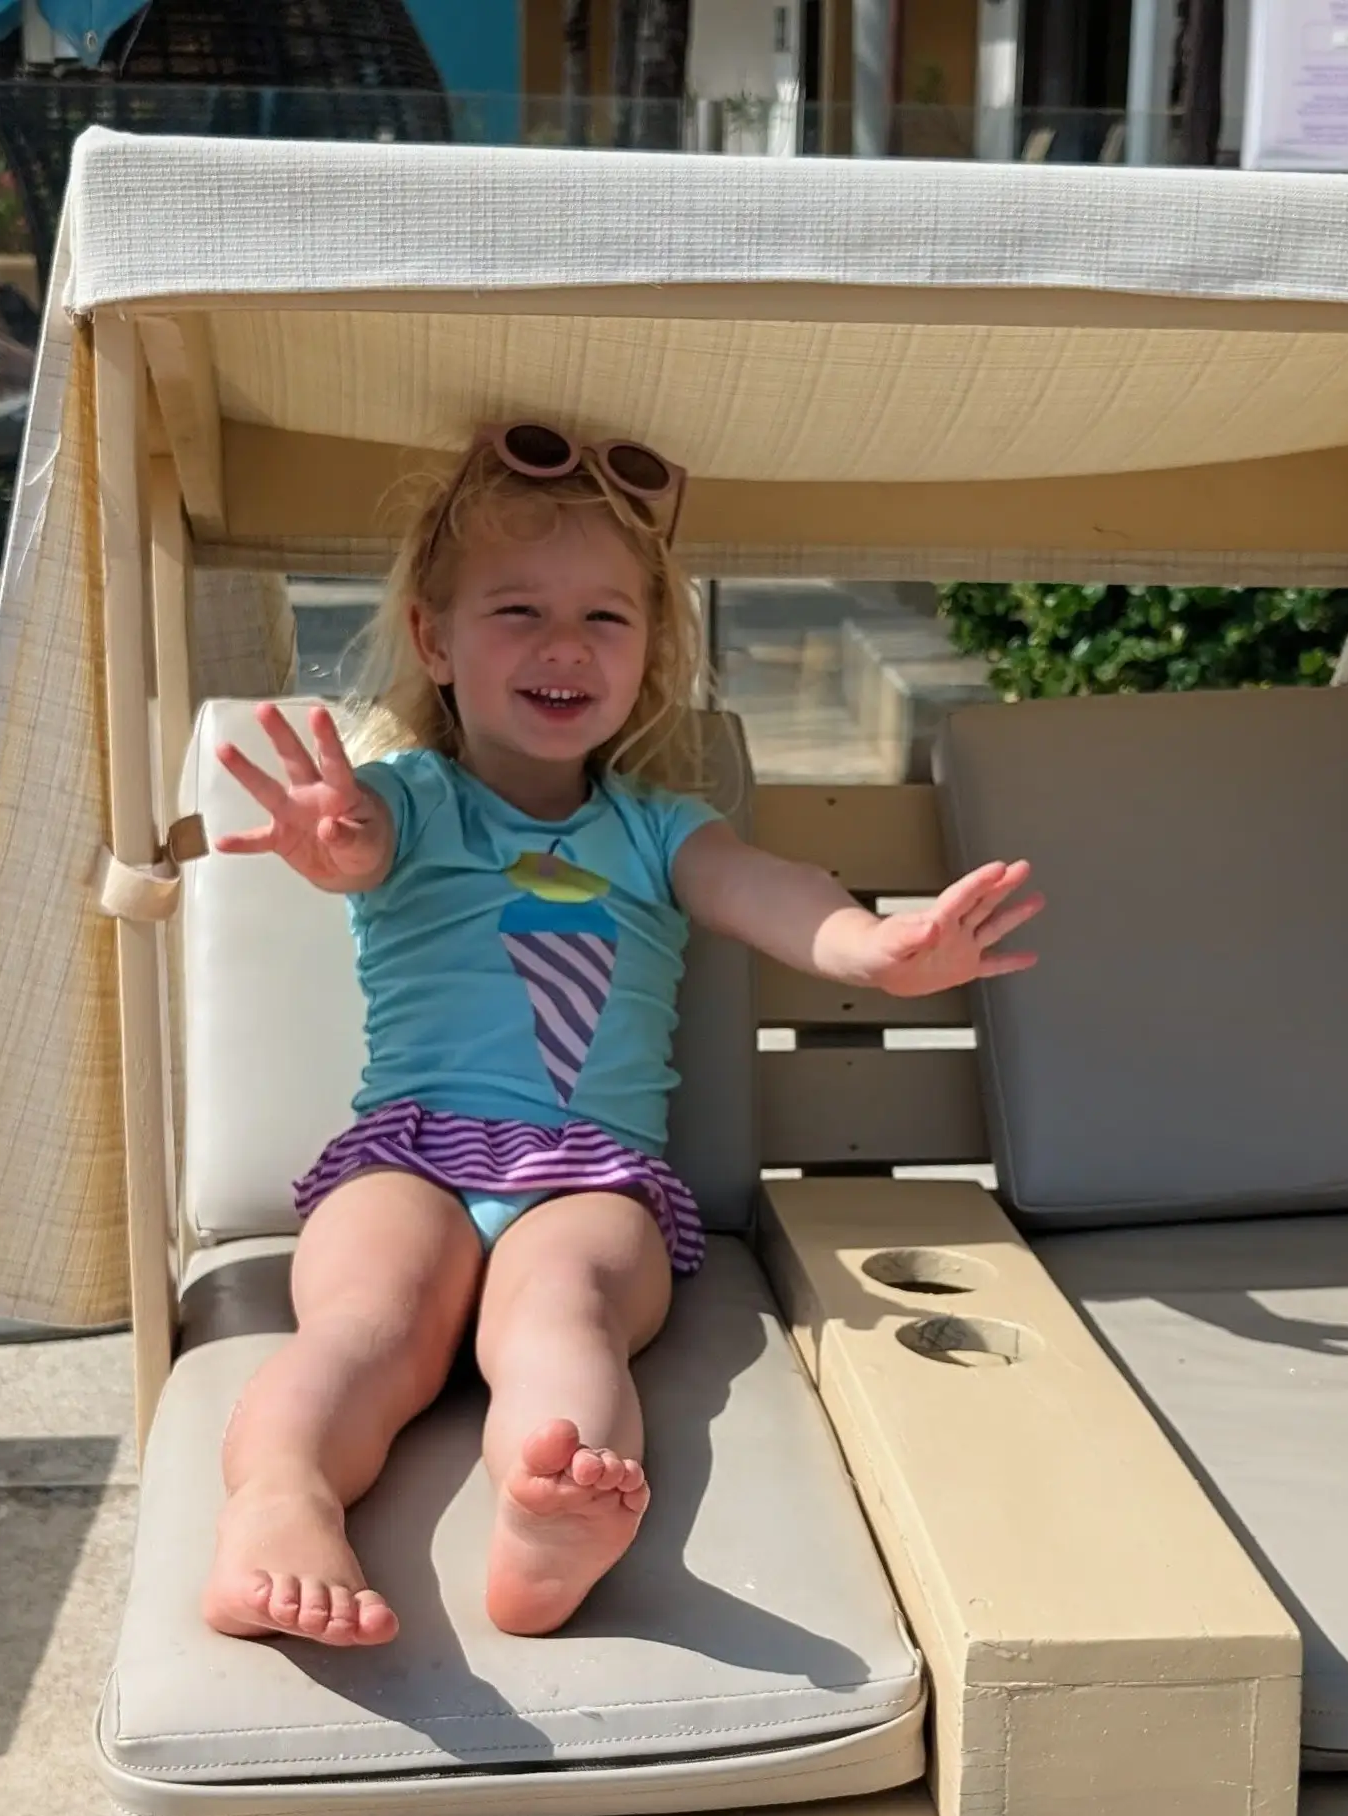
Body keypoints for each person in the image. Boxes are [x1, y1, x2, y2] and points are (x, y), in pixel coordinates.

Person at [201, 424, 1042, 1648]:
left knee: (567, 1311)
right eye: (516, 610)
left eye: (604, 617)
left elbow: (766, 887)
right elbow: (357, 844)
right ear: (435, 639)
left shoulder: (660, 829)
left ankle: (555, 1503)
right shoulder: (413, 800)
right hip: (410, 1156)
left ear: (648, 649)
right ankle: (277, 1502)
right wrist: (337, 844)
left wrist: (870, 947)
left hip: (592, 1177)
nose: (562, 645)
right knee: (365, 1320)